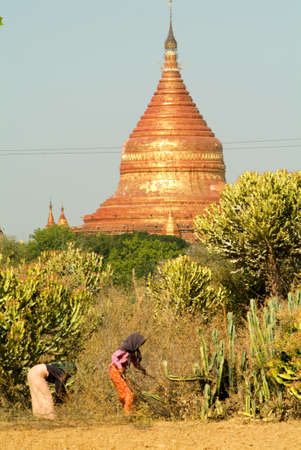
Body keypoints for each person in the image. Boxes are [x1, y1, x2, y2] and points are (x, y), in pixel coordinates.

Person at [109, 333, 147, 414]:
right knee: (129, 395)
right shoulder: (123, 349)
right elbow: (114, 357)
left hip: (121, 373)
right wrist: (119, 367)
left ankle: (129, 412)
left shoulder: (131, 352)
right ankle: (127, 415)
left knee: (129, 393)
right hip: (115, 372)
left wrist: (142, 370)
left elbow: (135, 363)